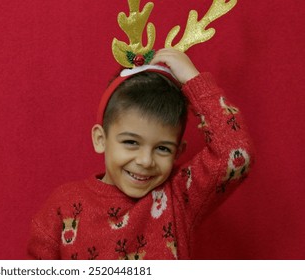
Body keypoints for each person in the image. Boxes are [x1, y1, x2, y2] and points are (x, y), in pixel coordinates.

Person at [27, 48, 253, 260]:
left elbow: (235, 152)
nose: (145, 161)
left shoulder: (179, 195)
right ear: (100, 139)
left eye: (163, 148)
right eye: (131, 142)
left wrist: (194, 81)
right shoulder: (63, 205)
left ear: (177, 152)